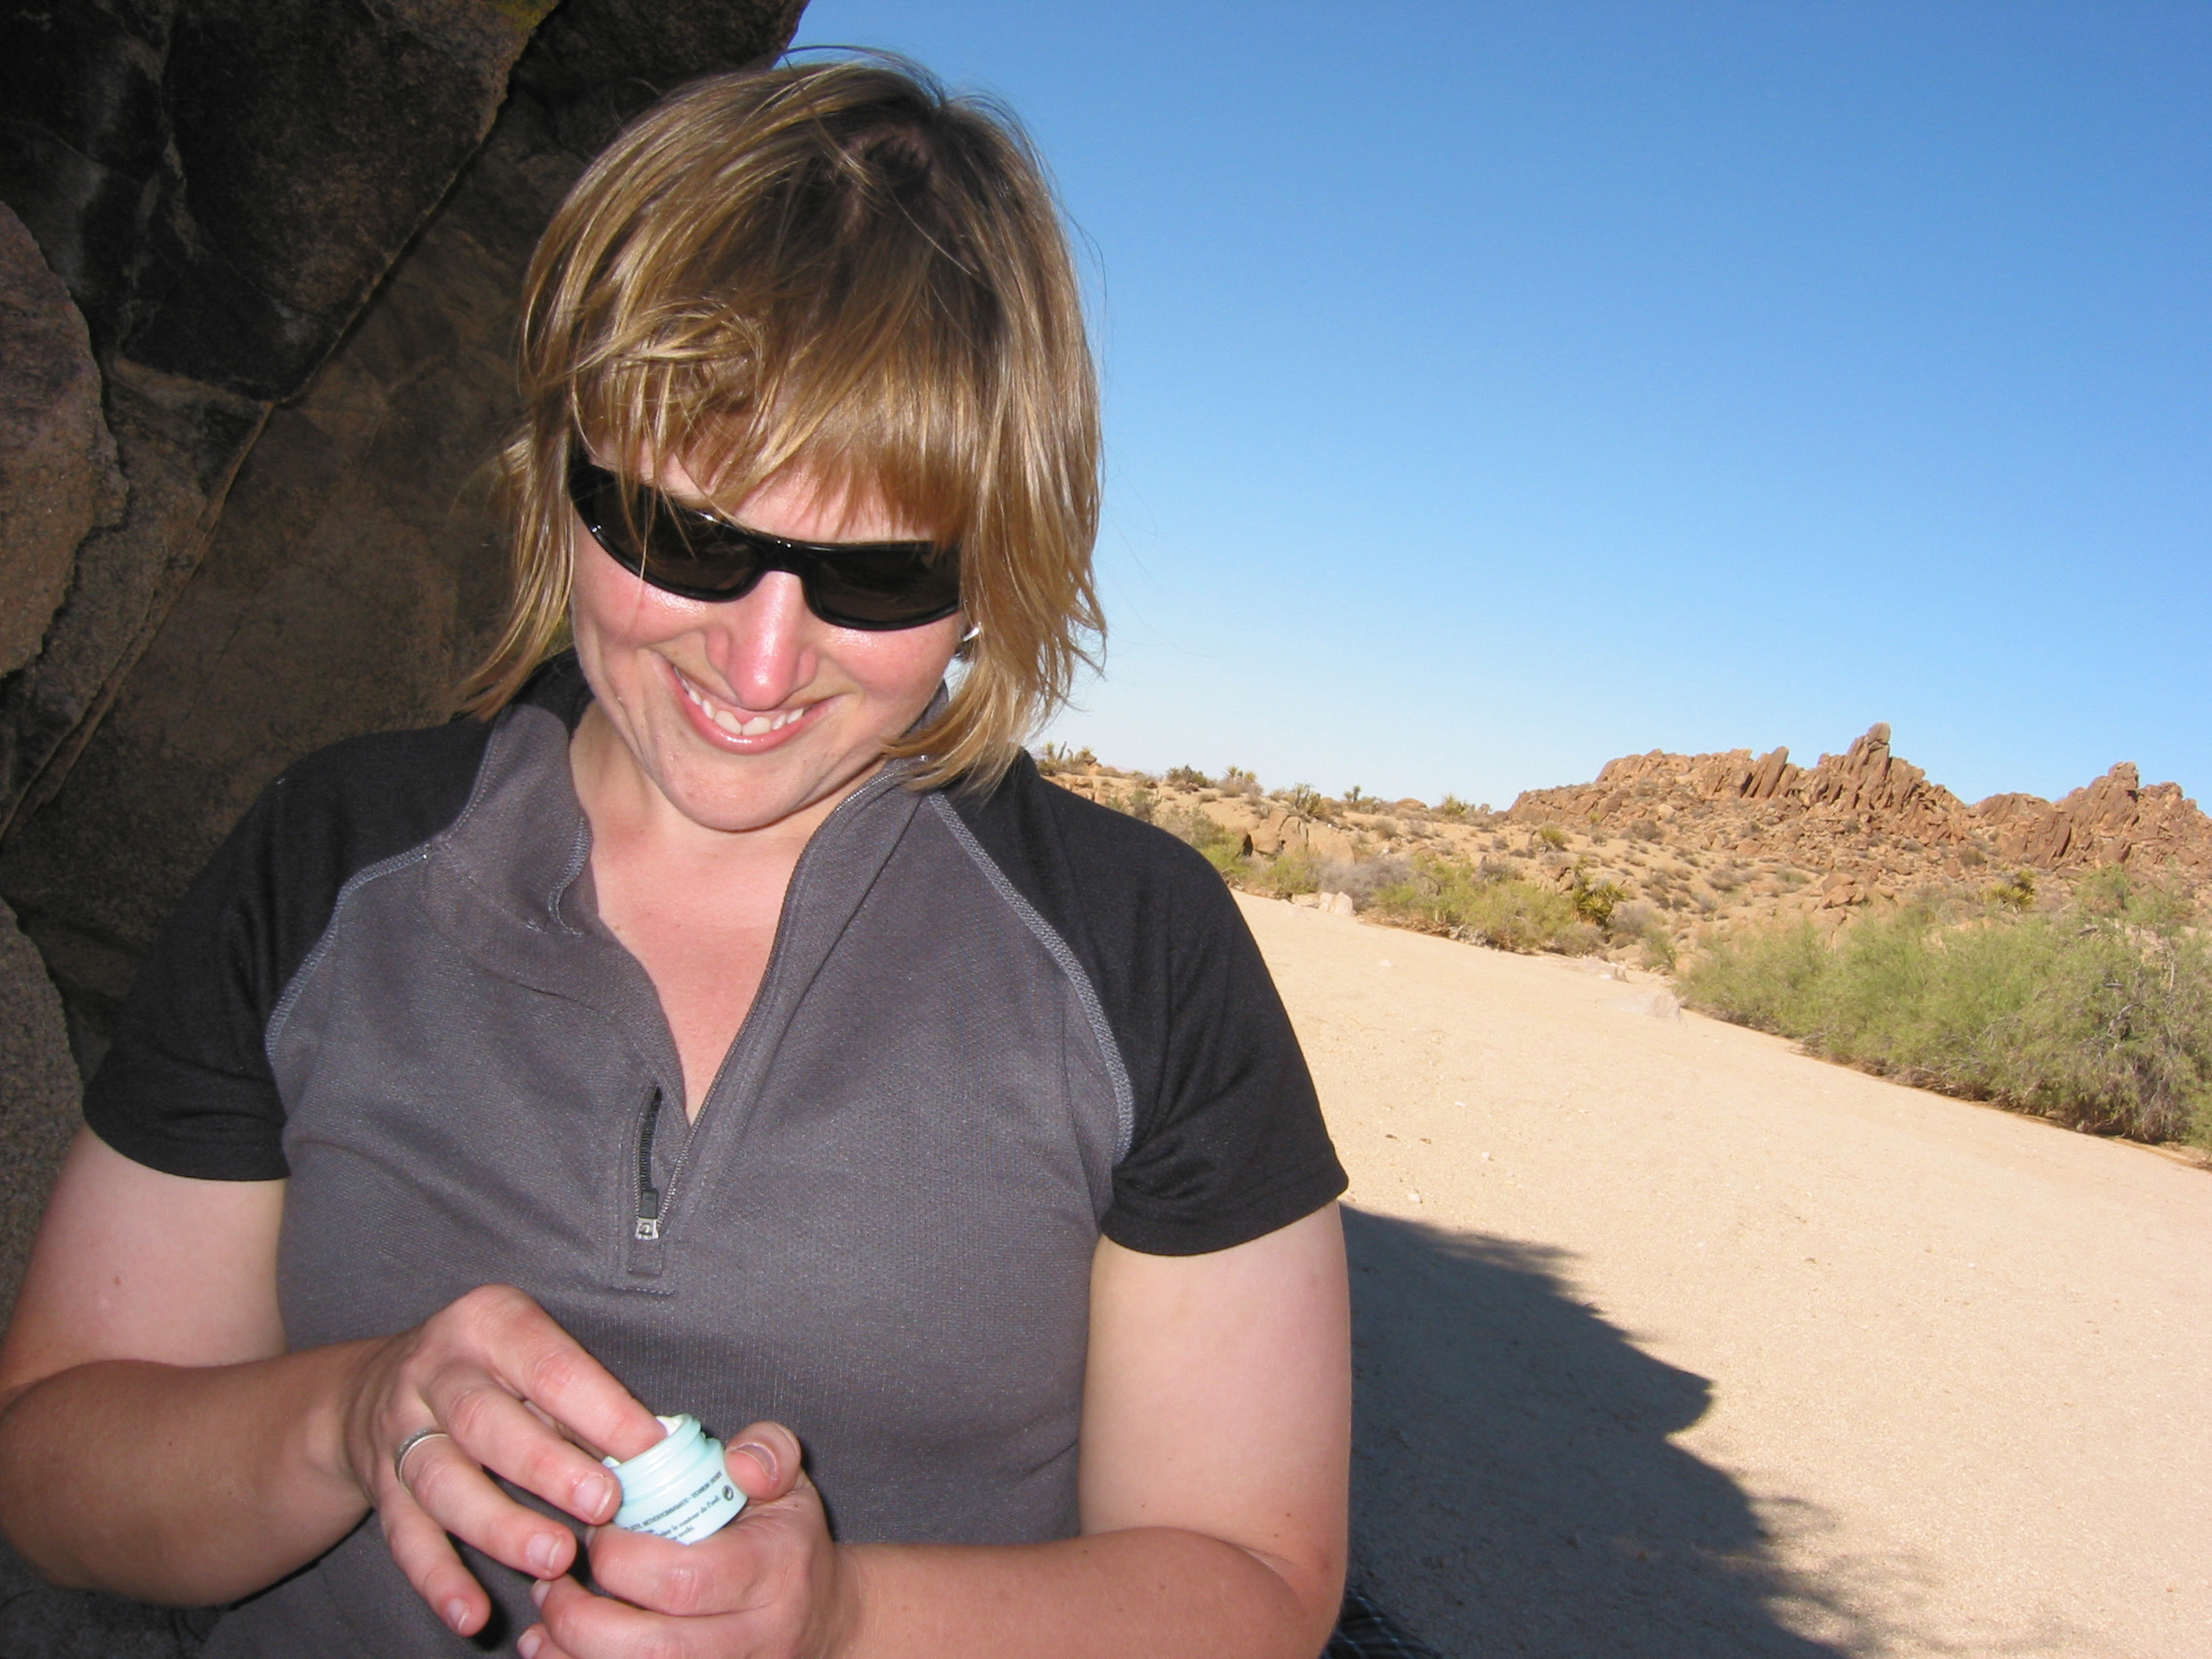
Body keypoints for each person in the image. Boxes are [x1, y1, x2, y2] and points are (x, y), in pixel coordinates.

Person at [0, 57, 1350, 1659]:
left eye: (880, 574)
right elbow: (55, 1463)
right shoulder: (331, 857)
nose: (763, 667)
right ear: (562, 473)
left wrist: (844, 1621)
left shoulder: (1144, 951)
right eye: (688, 536)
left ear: (996, 571)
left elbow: (1253, 1588)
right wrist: (349, 1418)